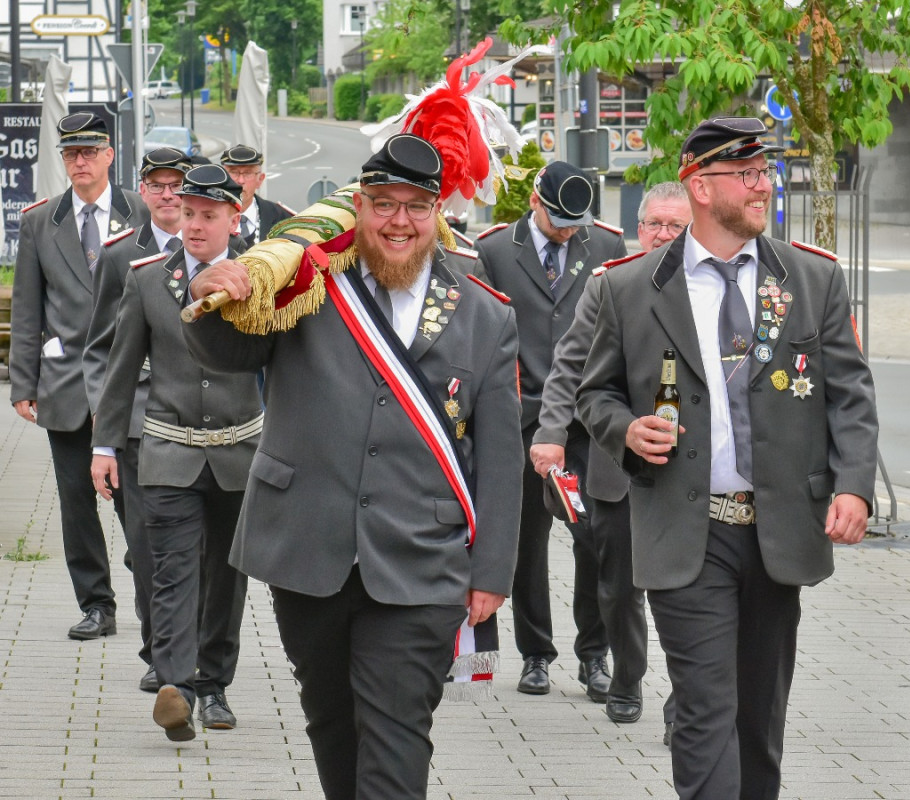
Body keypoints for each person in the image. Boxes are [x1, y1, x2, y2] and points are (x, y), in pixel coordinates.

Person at [182, 133, 522, 798]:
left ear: (439, 215)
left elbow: (502, 457)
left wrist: (491, 571)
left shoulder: (485, 314)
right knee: (332, 723)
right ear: (357, 207)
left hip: (422, 562)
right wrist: (211, 289)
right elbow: (228, 353)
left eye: (417, 206)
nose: (400, 221)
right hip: (307, 548)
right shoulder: (304, 283)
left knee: (397, 735)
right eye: (384, 203)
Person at [577, 117, 879, 800]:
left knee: (758, 716)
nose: (763, 185)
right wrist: (626, 430)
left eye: (764, 172)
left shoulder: (812, 278)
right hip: (686, 529)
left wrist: (855, 486)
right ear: (701, 185)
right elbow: (593, 394)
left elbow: (851, 395)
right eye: (746, 174)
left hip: (778, 530)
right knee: (704, 708)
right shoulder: (630, 288)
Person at [91, 164, 256, 741]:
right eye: (188, 214)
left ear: (234, 219)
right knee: (170, 572)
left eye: (209, 215)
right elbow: (119, 367)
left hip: (239, 452)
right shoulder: (147, 279)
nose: (195, 225)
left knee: (226, 578)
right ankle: (176, 688)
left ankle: (214, 686)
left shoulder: (260, 277)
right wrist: (105, 445)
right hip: (167, 450)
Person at [530, 180, 691, 725]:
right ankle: (627, 676)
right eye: (655, 224)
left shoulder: (713, 288)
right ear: (638, 229)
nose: (663, 234)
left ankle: (685, 704)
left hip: (692, 471)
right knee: (618, 587)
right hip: (619, 464)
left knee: (690, 590)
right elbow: (569, 366)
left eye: (676, 225)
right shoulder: (610, 285)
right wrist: (551, 434)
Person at [473, 160, 627, 699]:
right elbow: (486, 335)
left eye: (575, 224)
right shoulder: (495, 250)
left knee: (595, 537)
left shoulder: (606, 245)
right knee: (525, 543)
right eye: (559, 221)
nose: (567, 233)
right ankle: (535, 653)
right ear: (535, 203)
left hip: (587, 420)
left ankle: (595, 655)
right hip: (519, 418)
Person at [8, 111, 148, 640]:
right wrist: (23, 382)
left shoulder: (140, 212)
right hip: (65, 384)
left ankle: (153, 595)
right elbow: (28, 309)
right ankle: (96, 605)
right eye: (71, 153)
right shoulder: (42, 221)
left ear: (110, 155)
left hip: (129, 383)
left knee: (137, 500)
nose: (80, 161)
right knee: (75, 503)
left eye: (89, 152)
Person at [83, 146, 193, 693]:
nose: (168, 195)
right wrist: (105, 431)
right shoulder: (121, 253)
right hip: (138, 428)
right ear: (142, 191)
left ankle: (198, 656)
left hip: (208, 430)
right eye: (158, 185)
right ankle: (161, 652)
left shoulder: (230, 250)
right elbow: (101, 349)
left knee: (201, 553)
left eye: (178, 185)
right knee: (149, 551)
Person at [219, 145, 295, 246]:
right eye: (234, 172)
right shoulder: (206, 216)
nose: (240, 181)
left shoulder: (281, 219)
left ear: (260, 180)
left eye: (248, 173)